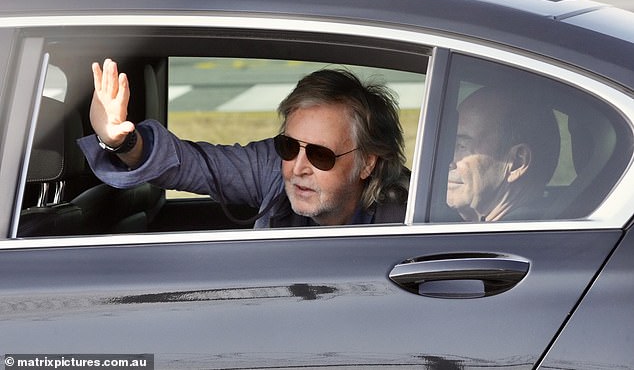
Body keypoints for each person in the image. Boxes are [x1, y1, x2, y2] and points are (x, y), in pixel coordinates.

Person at [78, 59, 408, 229]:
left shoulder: (408, 216)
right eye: (289, 147)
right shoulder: (273, 170)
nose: (298, 168)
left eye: (321, 155)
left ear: (368, 162)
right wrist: (120, 141)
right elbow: (190, 164)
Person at [446, 85, 560, 222]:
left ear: (517, 162)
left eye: (461, 146)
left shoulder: (512, 241)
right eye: (450, 144)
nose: (448, 162)